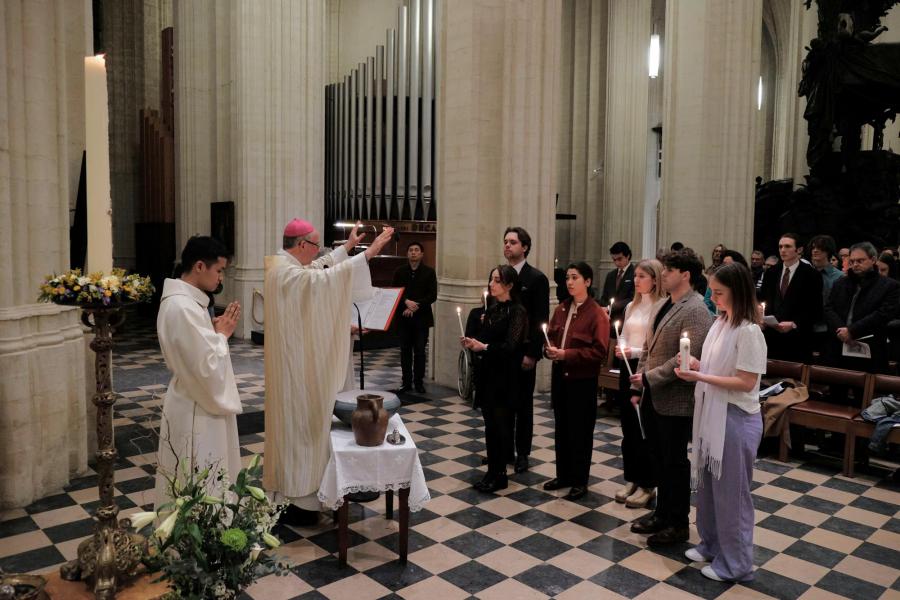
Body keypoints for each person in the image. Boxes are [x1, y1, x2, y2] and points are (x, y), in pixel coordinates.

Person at [263, 219, 395, 526]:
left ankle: (306, 498)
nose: (318, 252)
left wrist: (347, 248)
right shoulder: (286, 272)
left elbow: (319, 269)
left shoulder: (288, 266)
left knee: (304, 433)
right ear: (301, 245)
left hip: (294, 363)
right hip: (296, 372)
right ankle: (299, 501)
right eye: (315, 245)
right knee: (302, 431)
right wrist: (367, 255)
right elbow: (319, 282)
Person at [675, 262, 767, 582]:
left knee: (732, 495)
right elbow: (719, 368)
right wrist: (696, 363)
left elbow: (745, 382)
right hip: (714, 411)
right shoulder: (720, 323)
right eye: (711, 291)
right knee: (709, 487)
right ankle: (712, 544)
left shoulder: (749, 331)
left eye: (718, 293)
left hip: (737, 418)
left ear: (737, 293)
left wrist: (698, 374)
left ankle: (736, 563)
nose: (713, 298)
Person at [628, 249, 714, 546]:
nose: (662, 275)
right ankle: (661, 514)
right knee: (658, 459)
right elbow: (648, 349)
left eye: (667, 270)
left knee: (674, 462)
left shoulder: (697, 310)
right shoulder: (664, 304)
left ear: (685, 275)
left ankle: (678, 523)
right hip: (653, 394)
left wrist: (650, 378)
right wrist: (639, 385)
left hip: (677, 400)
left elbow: (686, 357)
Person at [154, 236, 242, 507]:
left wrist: (212, 333)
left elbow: (196, 352)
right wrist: (222, 336)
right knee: (200, 472)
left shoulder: (189, 302)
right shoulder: (182, 306)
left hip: (192, 396)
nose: (221, 279)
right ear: (200, 266)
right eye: (219, 271)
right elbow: (206, 368)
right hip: (197, 404)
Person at [543, 262, 609, 501]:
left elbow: (599, 352)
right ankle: (563, 475)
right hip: (561, 378)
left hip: (582, 382)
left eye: (575, 278)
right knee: (562, 429)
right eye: (568, 278)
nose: (569, 282)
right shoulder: (561, 309)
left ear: (587, 282)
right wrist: (548, 349)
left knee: (580, 432)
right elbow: (550, 336)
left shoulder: (596, 314)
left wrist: (566, 354)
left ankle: (580, 481)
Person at [461, 265, 528, 493]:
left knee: (501, 427)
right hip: (488, 375)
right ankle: (491, 471)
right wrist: (472, 343)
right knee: (490, 426)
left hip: (506, 377)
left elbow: (511, 346)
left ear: (509, 285)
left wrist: (485, 346)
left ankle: (500, 475)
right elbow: (483, 339)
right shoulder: (492, 309)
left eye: (497, 280)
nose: (491, 284)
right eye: (491, 279)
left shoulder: (517, 311)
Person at [613, 259, 667, 508]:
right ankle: (631, 477)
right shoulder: (631, 306)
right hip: (627, 368)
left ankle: (648, 483)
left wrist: (632, 352)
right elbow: (623, 333)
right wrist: (620, 347)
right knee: (629, 428)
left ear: (655, 279)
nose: (636, 280)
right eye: (635, 276)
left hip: (645, 369)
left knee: (646, 428)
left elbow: (652, 346)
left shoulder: (660, 307)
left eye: (642, 276)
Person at [502, 227, 549, 473]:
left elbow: (541, 319)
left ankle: (522, 453)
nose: (507, 245)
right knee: (504, 403)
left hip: (523, 353)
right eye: (506, 242)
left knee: (523, 405)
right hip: (503, 352)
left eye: (513, 242)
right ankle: (505, 450)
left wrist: (532, 353)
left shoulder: (536, 279)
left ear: (525, 247)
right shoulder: (500, 276)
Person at [824, 242, 900, 374]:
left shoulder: (889, 285)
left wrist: (852, 331)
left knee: (865, 392)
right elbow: (829, 308)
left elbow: (883, 314)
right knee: (836, 390)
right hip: (839, 345)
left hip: (870, 348)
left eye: (860, 260)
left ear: (873, 260)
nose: (855, 264)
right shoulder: (840, 283)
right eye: (852, 261)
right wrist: (842, 331)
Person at [759, 233, 822, 362]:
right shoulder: (771, 272)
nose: (783, 250)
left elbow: (815, 308)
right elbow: (763, 300)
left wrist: (795, 324)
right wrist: (761, 318)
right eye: (780, 246)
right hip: (771, 338)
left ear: (799, 250)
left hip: (798, 340)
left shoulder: (811, 274)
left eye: (787, 246)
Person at [391, 242, 437, 393]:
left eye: (417, 250)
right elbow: (395, 291)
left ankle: (418, 382)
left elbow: (432, 295)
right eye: (410, 250)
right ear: (407, 254)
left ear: (422, 254)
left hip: (421, 319)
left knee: (419, 351)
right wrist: (405, 302)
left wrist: (415, 306)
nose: (413, 253)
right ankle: (406, 382)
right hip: (403, 319)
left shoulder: (429, 272)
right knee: (405, 351)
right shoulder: (399, 271)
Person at [600, 241, 636, 333]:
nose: (616, 263)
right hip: (609, 319)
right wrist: (604, 309)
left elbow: (632, 299)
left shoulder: (635, 274)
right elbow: (604, 296)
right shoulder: (611, 275)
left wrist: (610, 307)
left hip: (625, 318)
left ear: (627, 256)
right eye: (614, 259)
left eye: (619, 259)